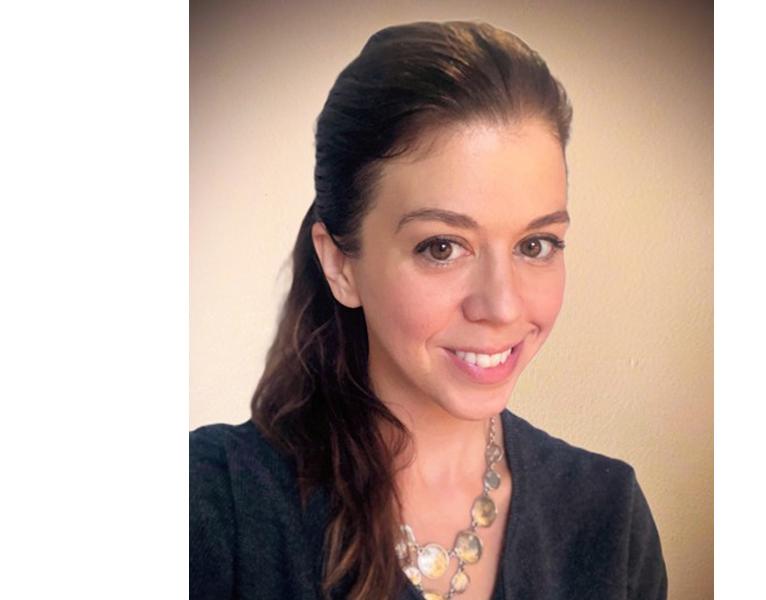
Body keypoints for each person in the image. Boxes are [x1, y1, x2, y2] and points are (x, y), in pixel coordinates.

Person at [190, 20, 666, 600]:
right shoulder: (213, 506)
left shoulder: (609, 517)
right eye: (442, 247)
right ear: (340, 264)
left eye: (535, 245)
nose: (502, 305)